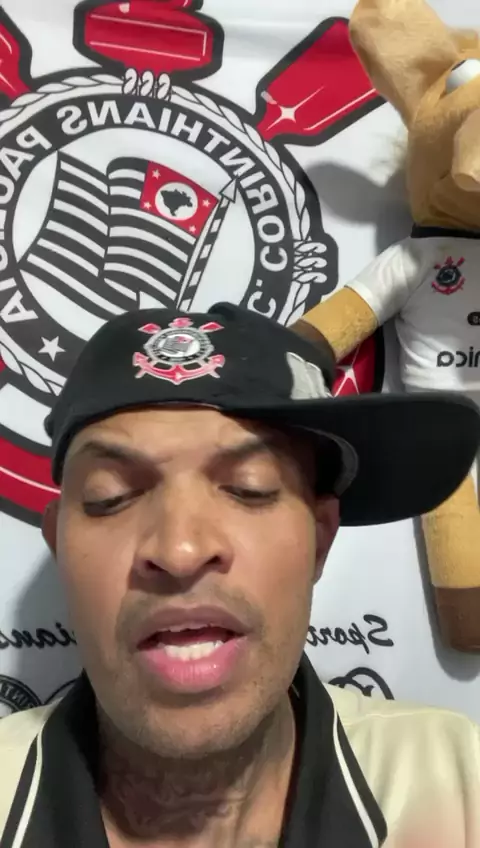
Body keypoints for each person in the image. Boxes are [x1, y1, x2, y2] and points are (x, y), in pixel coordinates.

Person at [1, 302, 480, 848]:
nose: (180, 551)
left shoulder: (458, 784)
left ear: (320, 540)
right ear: (59, 545)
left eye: (250, 487)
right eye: (110, 496)